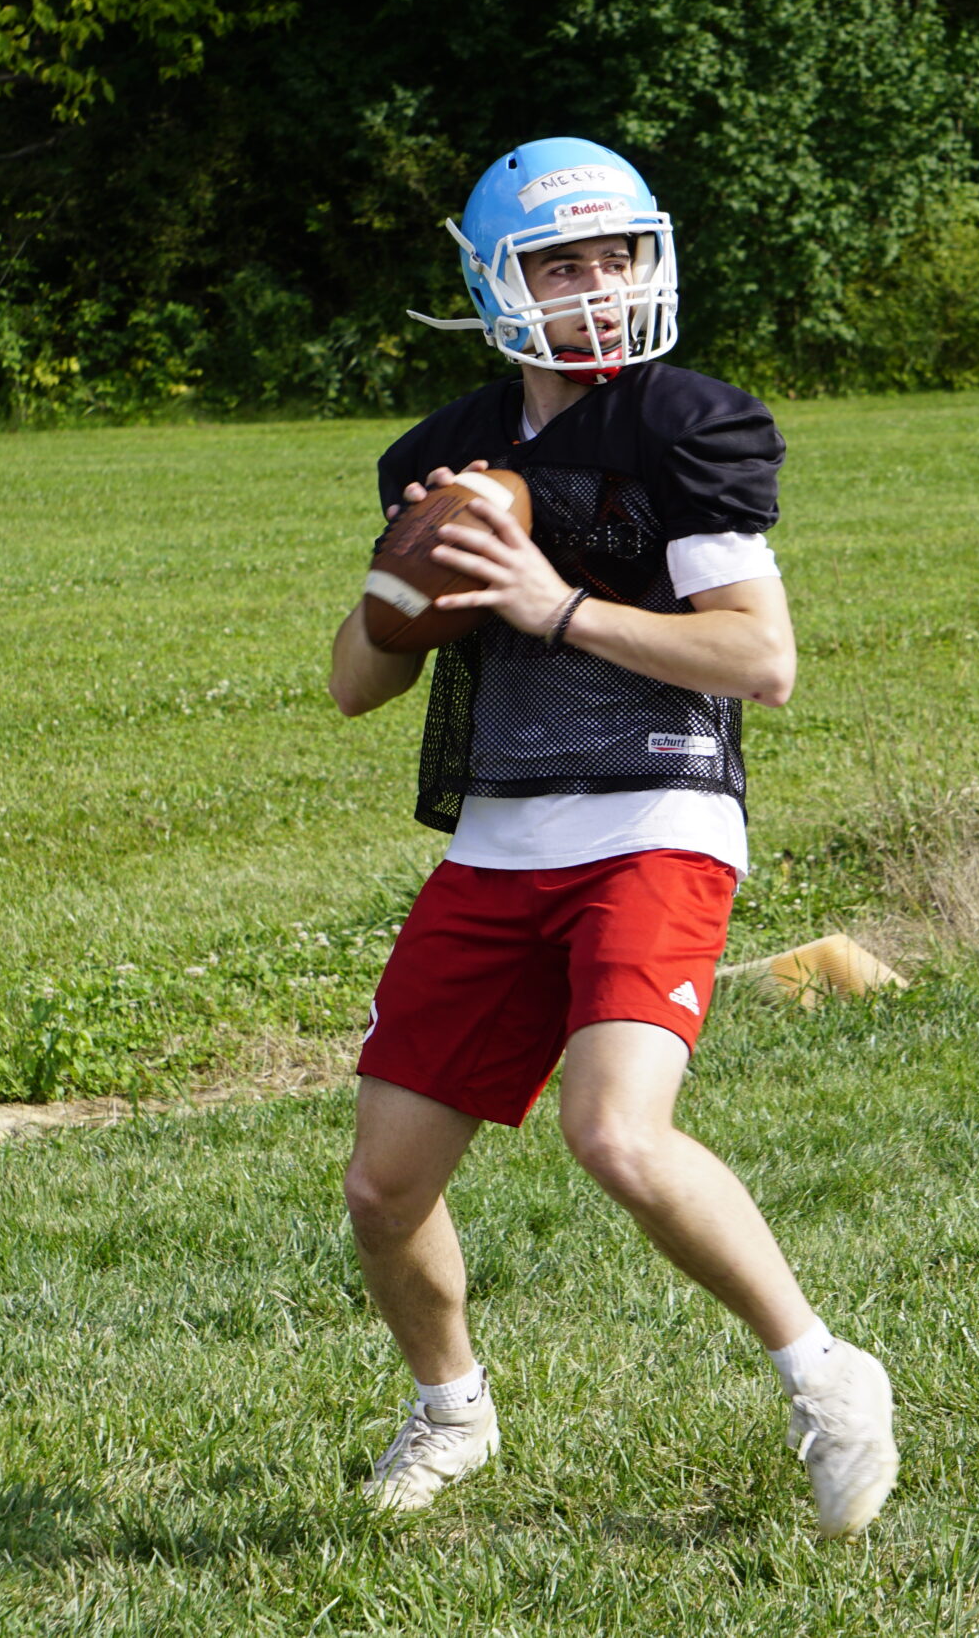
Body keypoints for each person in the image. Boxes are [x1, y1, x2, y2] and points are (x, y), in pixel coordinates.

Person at [324, 137, 899, 1539]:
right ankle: (451, 1406)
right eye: (561, 262)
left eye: (617, 255)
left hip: (657, 817)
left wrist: (550, 602)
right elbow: (354, 682)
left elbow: (761, 657)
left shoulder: (682, 424)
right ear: (494, 283)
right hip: (502, 835)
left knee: (616, 1133)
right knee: (384, 1184)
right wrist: (410, 588)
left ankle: (826, 1375)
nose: (597, 287)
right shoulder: (443, 451)